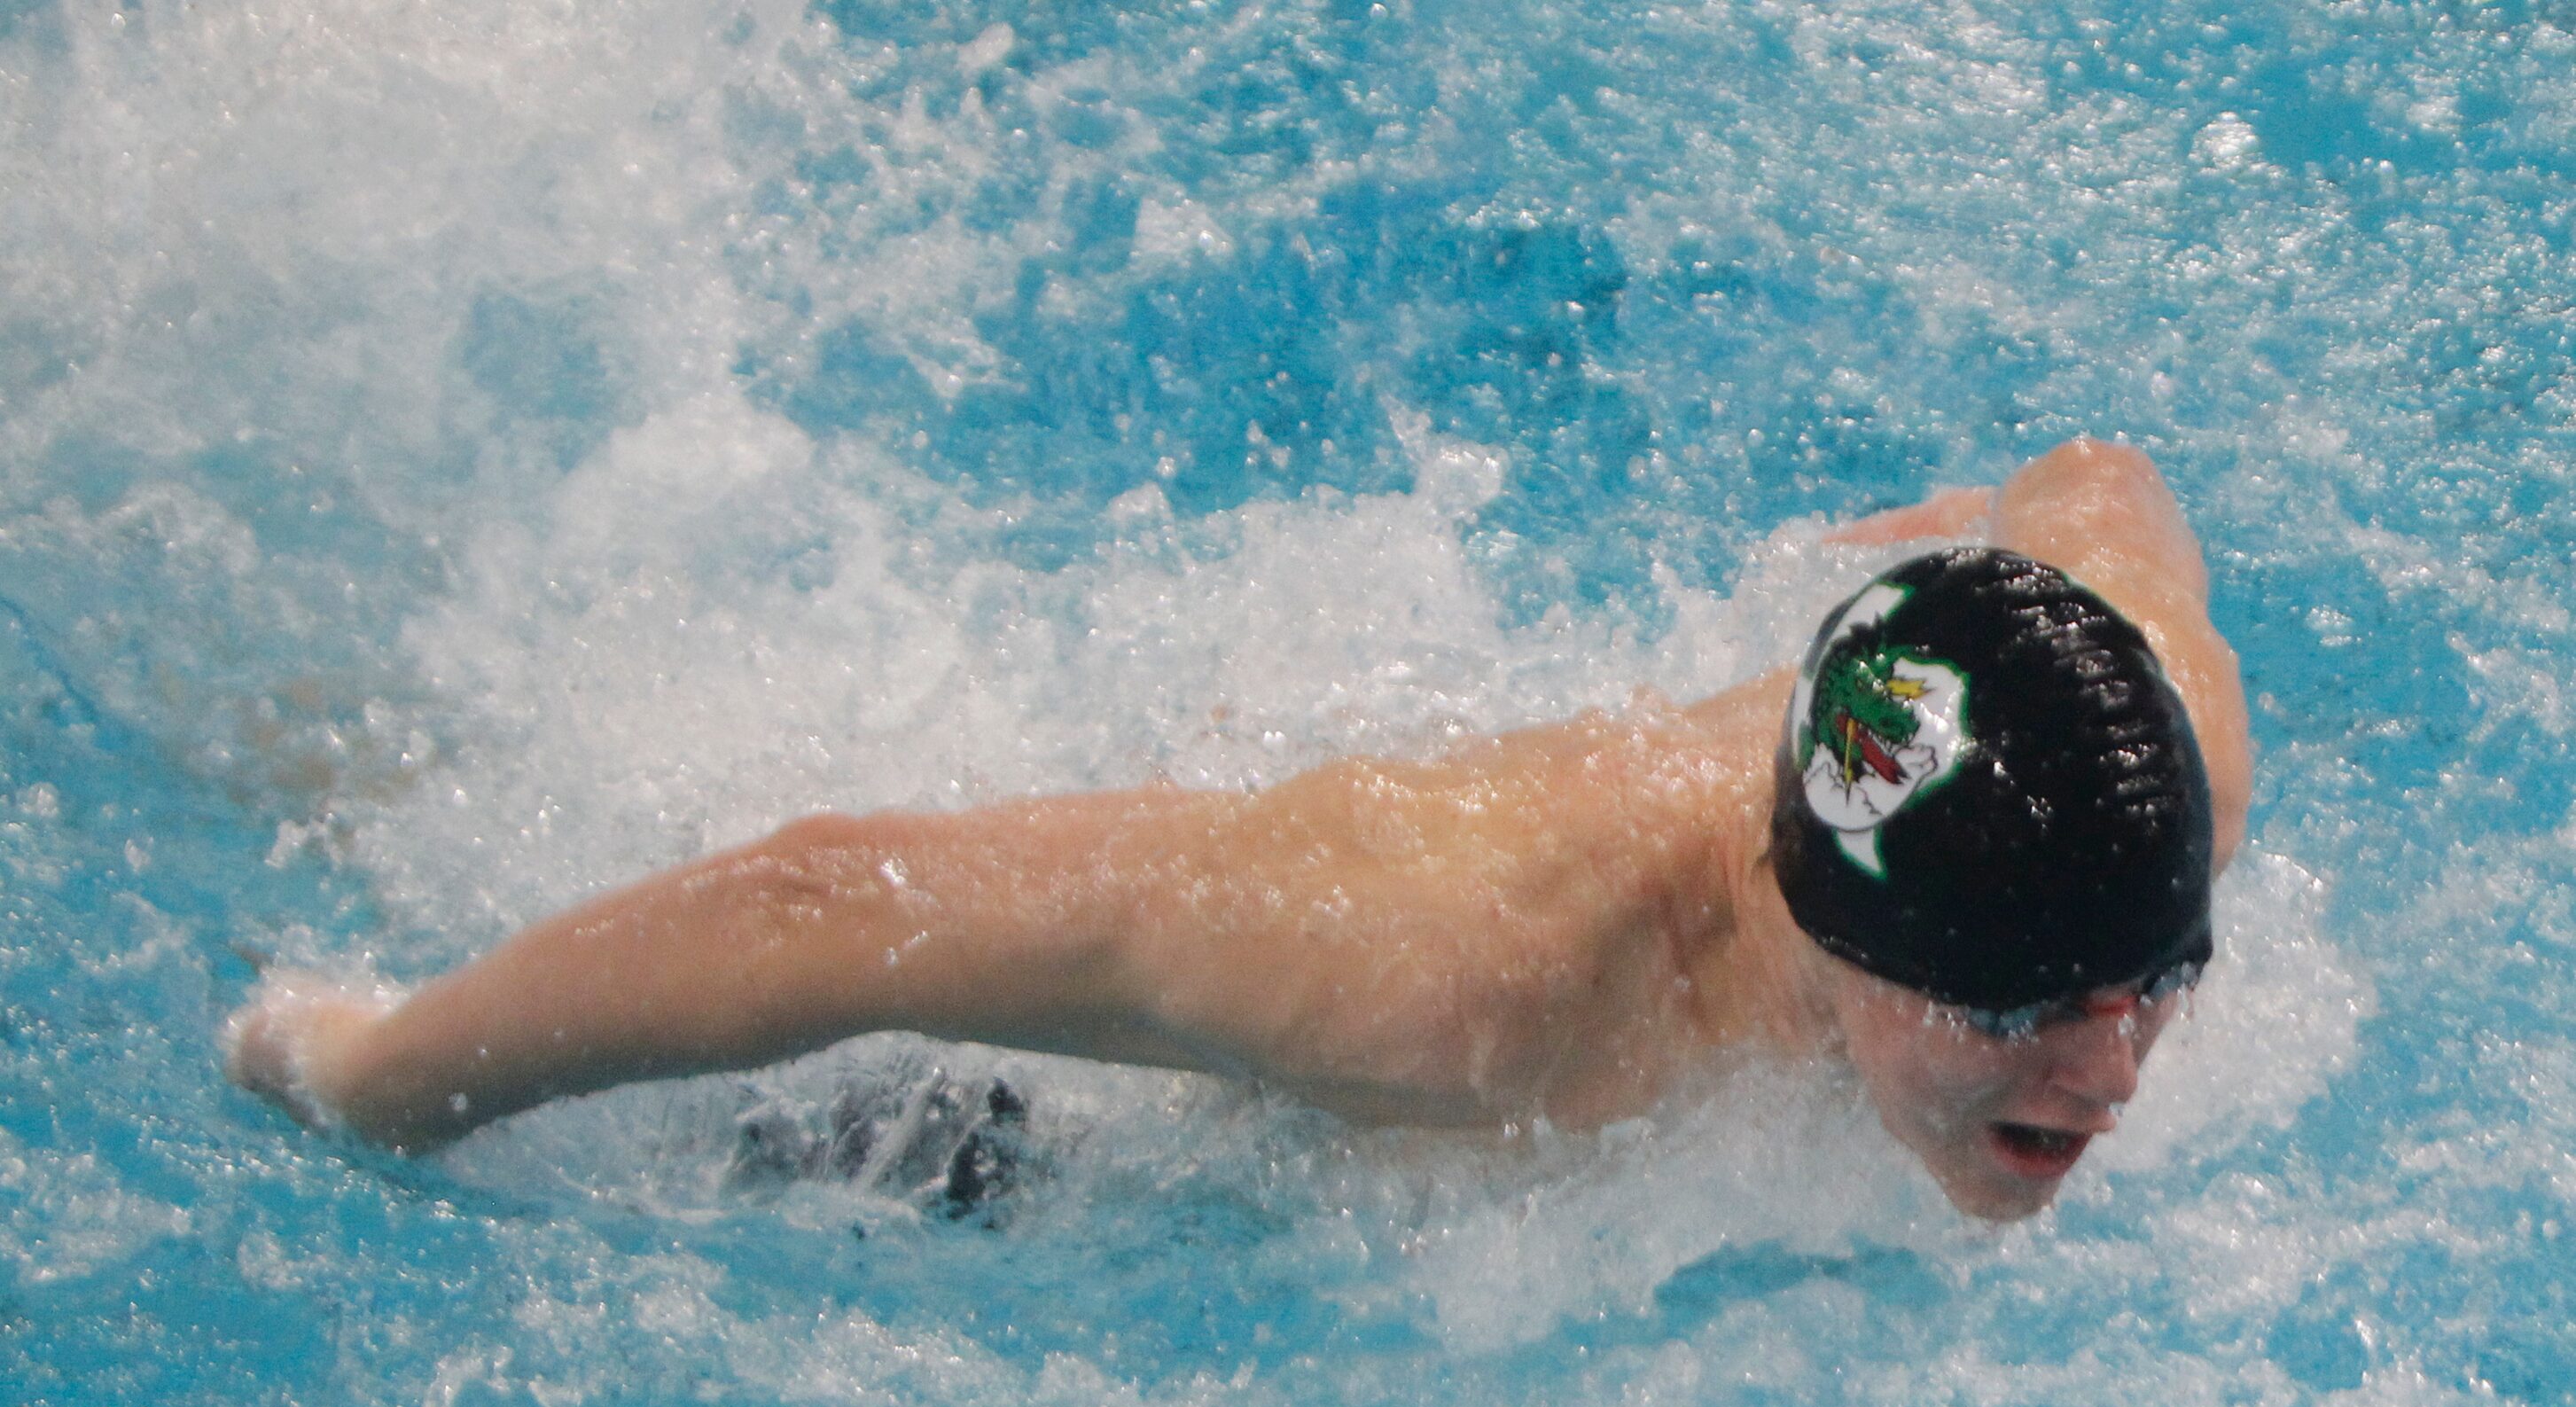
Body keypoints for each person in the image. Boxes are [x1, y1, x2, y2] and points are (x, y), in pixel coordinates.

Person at [225, 439, 2250, 1220]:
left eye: (2156, 987)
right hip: (1044, 1123)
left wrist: (1960, 521)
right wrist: (369, 1071)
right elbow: (826, 900)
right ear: (1843, 936)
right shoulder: (1462, 977)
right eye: (2015, 1014)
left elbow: (2095, 484)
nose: (2109, 1070)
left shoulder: (2150, 771)